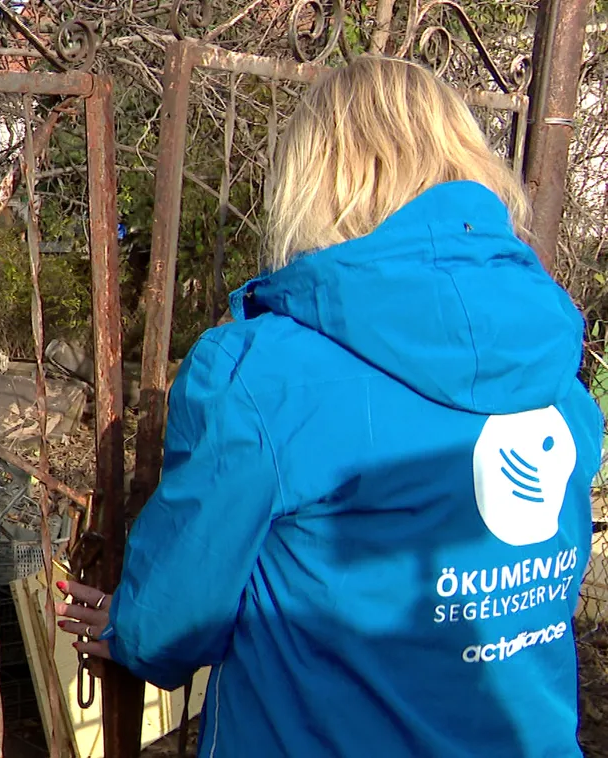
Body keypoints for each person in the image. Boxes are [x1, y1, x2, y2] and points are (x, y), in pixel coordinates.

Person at [59, 56, 602, 757]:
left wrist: (132, 628)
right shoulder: (550, 365)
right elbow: (549, 581)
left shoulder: (261, 375)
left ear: (316, 180)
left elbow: (174, 621)